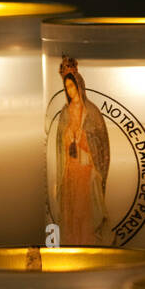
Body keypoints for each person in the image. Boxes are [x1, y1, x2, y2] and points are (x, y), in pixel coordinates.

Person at [54, 57, 110, 245]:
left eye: (73, 86)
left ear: (80, 86)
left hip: (86, 169)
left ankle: (88, 244)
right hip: (70, 170)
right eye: (67, 88)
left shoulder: (91, 112)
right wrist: (68, 137)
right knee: (71, 211)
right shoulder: (65, 112)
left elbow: (99, 142)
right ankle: (71, 243)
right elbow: (60, 144)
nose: (70, 91)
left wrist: (83, 139)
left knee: (83, 208)